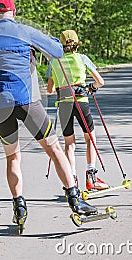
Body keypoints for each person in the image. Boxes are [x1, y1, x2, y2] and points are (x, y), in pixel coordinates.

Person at [0, 0, 97, 230]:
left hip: (0, 105)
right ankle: (75, 200)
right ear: (13, 12)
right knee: (55, 149)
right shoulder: (25, 31)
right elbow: (57, 51)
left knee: (13, 157)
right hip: (28, 102)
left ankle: (19, 206)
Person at [46, 29, 109, 191]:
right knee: (90, 139)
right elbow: (100, 82)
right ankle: (91, 177)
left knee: (69, 143)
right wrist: (90, 88)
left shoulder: (54, 62)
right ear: (76, 43)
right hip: (81, 102)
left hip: (64, 104)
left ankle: (72, 180)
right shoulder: (82, 59)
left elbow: (50, 90)